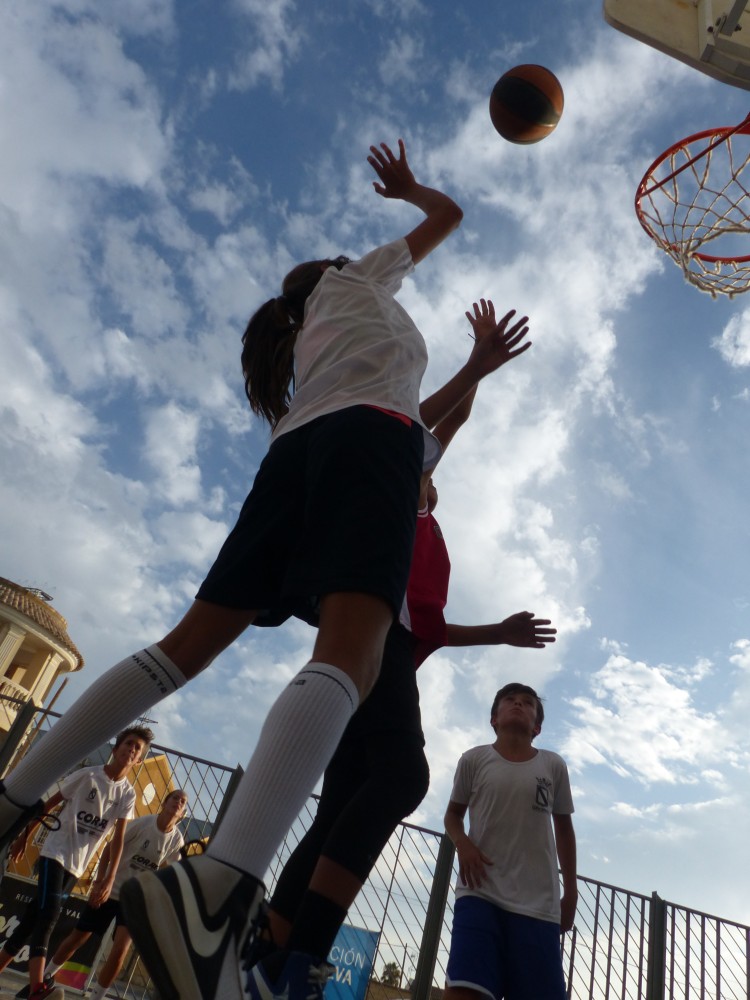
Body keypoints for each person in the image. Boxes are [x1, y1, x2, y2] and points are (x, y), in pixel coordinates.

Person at [0, 136, 490, 1000]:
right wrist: (413, 191)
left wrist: (473, 373)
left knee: (184, 646)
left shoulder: (310, 355)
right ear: (330, 275)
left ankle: (14, 794)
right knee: (350, 654)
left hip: (298, 452)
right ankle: (222, 892)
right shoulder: (359, 280)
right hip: (368, 443)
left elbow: (423, 420)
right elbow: (450, 219)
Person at [247, 301, 557, 999]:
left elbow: (433, 631)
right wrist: (478, 361)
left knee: (339, 810)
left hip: (380, 659)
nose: (434, 470)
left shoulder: (425, 529)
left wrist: (499, 633)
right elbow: (449, 422)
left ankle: (269, 949)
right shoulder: (400, 486)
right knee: (402, 778)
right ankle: (298, 958)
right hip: (372, 647)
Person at [443, 683, 577, 1000]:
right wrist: (463, 843)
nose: (518, 704)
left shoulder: (553, 765)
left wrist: (570, 891)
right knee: (465, 990)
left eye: (528, 703)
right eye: (510, 700)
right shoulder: (473, 760)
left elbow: (565, 830)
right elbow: (452, 815)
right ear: (494, 718)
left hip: (539, 906)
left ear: (537, 726)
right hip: (480, 893)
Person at [0, 727, 151, 1000]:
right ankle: (37, 990)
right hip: (54, 853)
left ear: (138, 761)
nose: (132, 750)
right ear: (116, 749)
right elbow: (48, 805)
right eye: (129, 744)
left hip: (77, 866)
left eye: (138, 750)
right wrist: (25, 836)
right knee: (49, 916)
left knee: (32, 920)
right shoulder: (87, 775)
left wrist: (107, 878)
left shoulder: (127, 795)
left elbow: (117, 840)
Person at [34, 789, 188, 1000]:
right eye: (175, 798)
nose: (178, 802)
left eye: (183, 802)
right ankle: (44, 979)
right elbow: (109, 848)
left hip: (134, 899)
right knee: (79, 937)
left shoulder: (176, 841)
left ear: (183, 813)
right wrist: (99, 881)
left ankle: (96, 996)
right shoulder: (143, 824)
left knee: (120, 951)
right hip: (110, 890)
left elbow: (168, 874)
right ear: (165, 802)